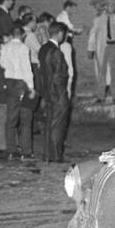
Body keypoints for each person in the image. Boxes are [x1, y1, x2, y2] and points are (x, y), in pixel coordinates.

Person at [0, 21, 37, 159]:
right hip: (22, 84)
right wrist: (31, 87)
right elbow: (27, 69)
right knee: (26, 119)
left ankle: (11, 149)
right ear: (22, 35)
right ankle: (26, 151)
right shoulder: (23, 48)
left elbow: (2, 64)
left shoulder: (5, 47)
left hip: (9, 84)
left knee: (11, 118)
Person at [39, 22, 71, 162]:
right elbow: (59, 75)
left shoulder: (43, 49)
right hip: (57, 93)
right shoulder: (56, 51)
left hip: (47, 93)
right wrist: (62, 94)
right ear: (59, 33)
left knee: (49, 125)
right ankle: (56, 155)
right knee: (58, 126)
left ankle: (48, 154)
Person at [87, 0, 115, 103]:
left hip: (114, 46)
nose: (113, 8)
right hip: (102, 47)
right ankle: (101, 96)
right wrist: (90, 48)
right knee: (102, 72)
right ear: (106, 7)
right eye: (110, 5)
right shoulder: (98, 20)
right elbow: (93, 34)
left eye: (114, 6)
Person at [0, 0, 16, 159]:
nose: (12, 4)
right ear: (6, 0)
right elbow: (5, 35)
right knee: (4, 110)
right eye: (11, 1)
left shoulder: (2, 14)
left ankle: (5, 143)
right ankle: (2, 144)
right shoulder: (2, 15)